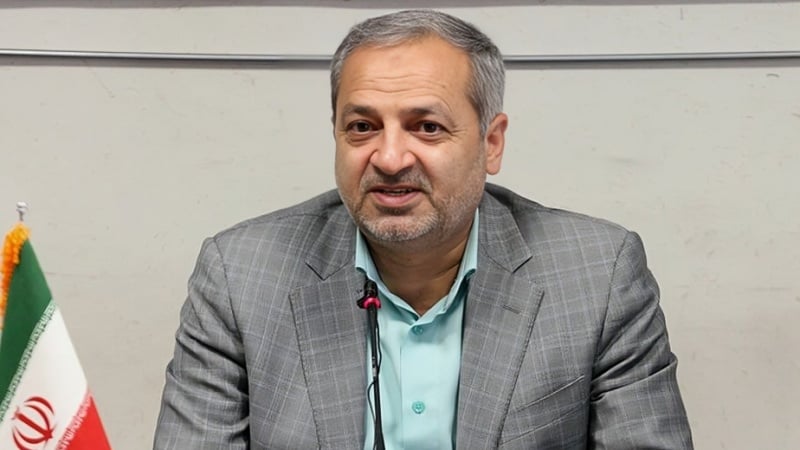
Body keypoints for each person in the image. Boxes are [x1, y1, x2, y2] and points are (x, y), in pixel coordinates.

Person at [154, 9, 692, 449]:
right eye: (362, 127)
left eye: (427, 127)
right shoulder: (240, 276)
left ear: (491, 143)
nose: (389, 158)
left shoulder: (597, 275)